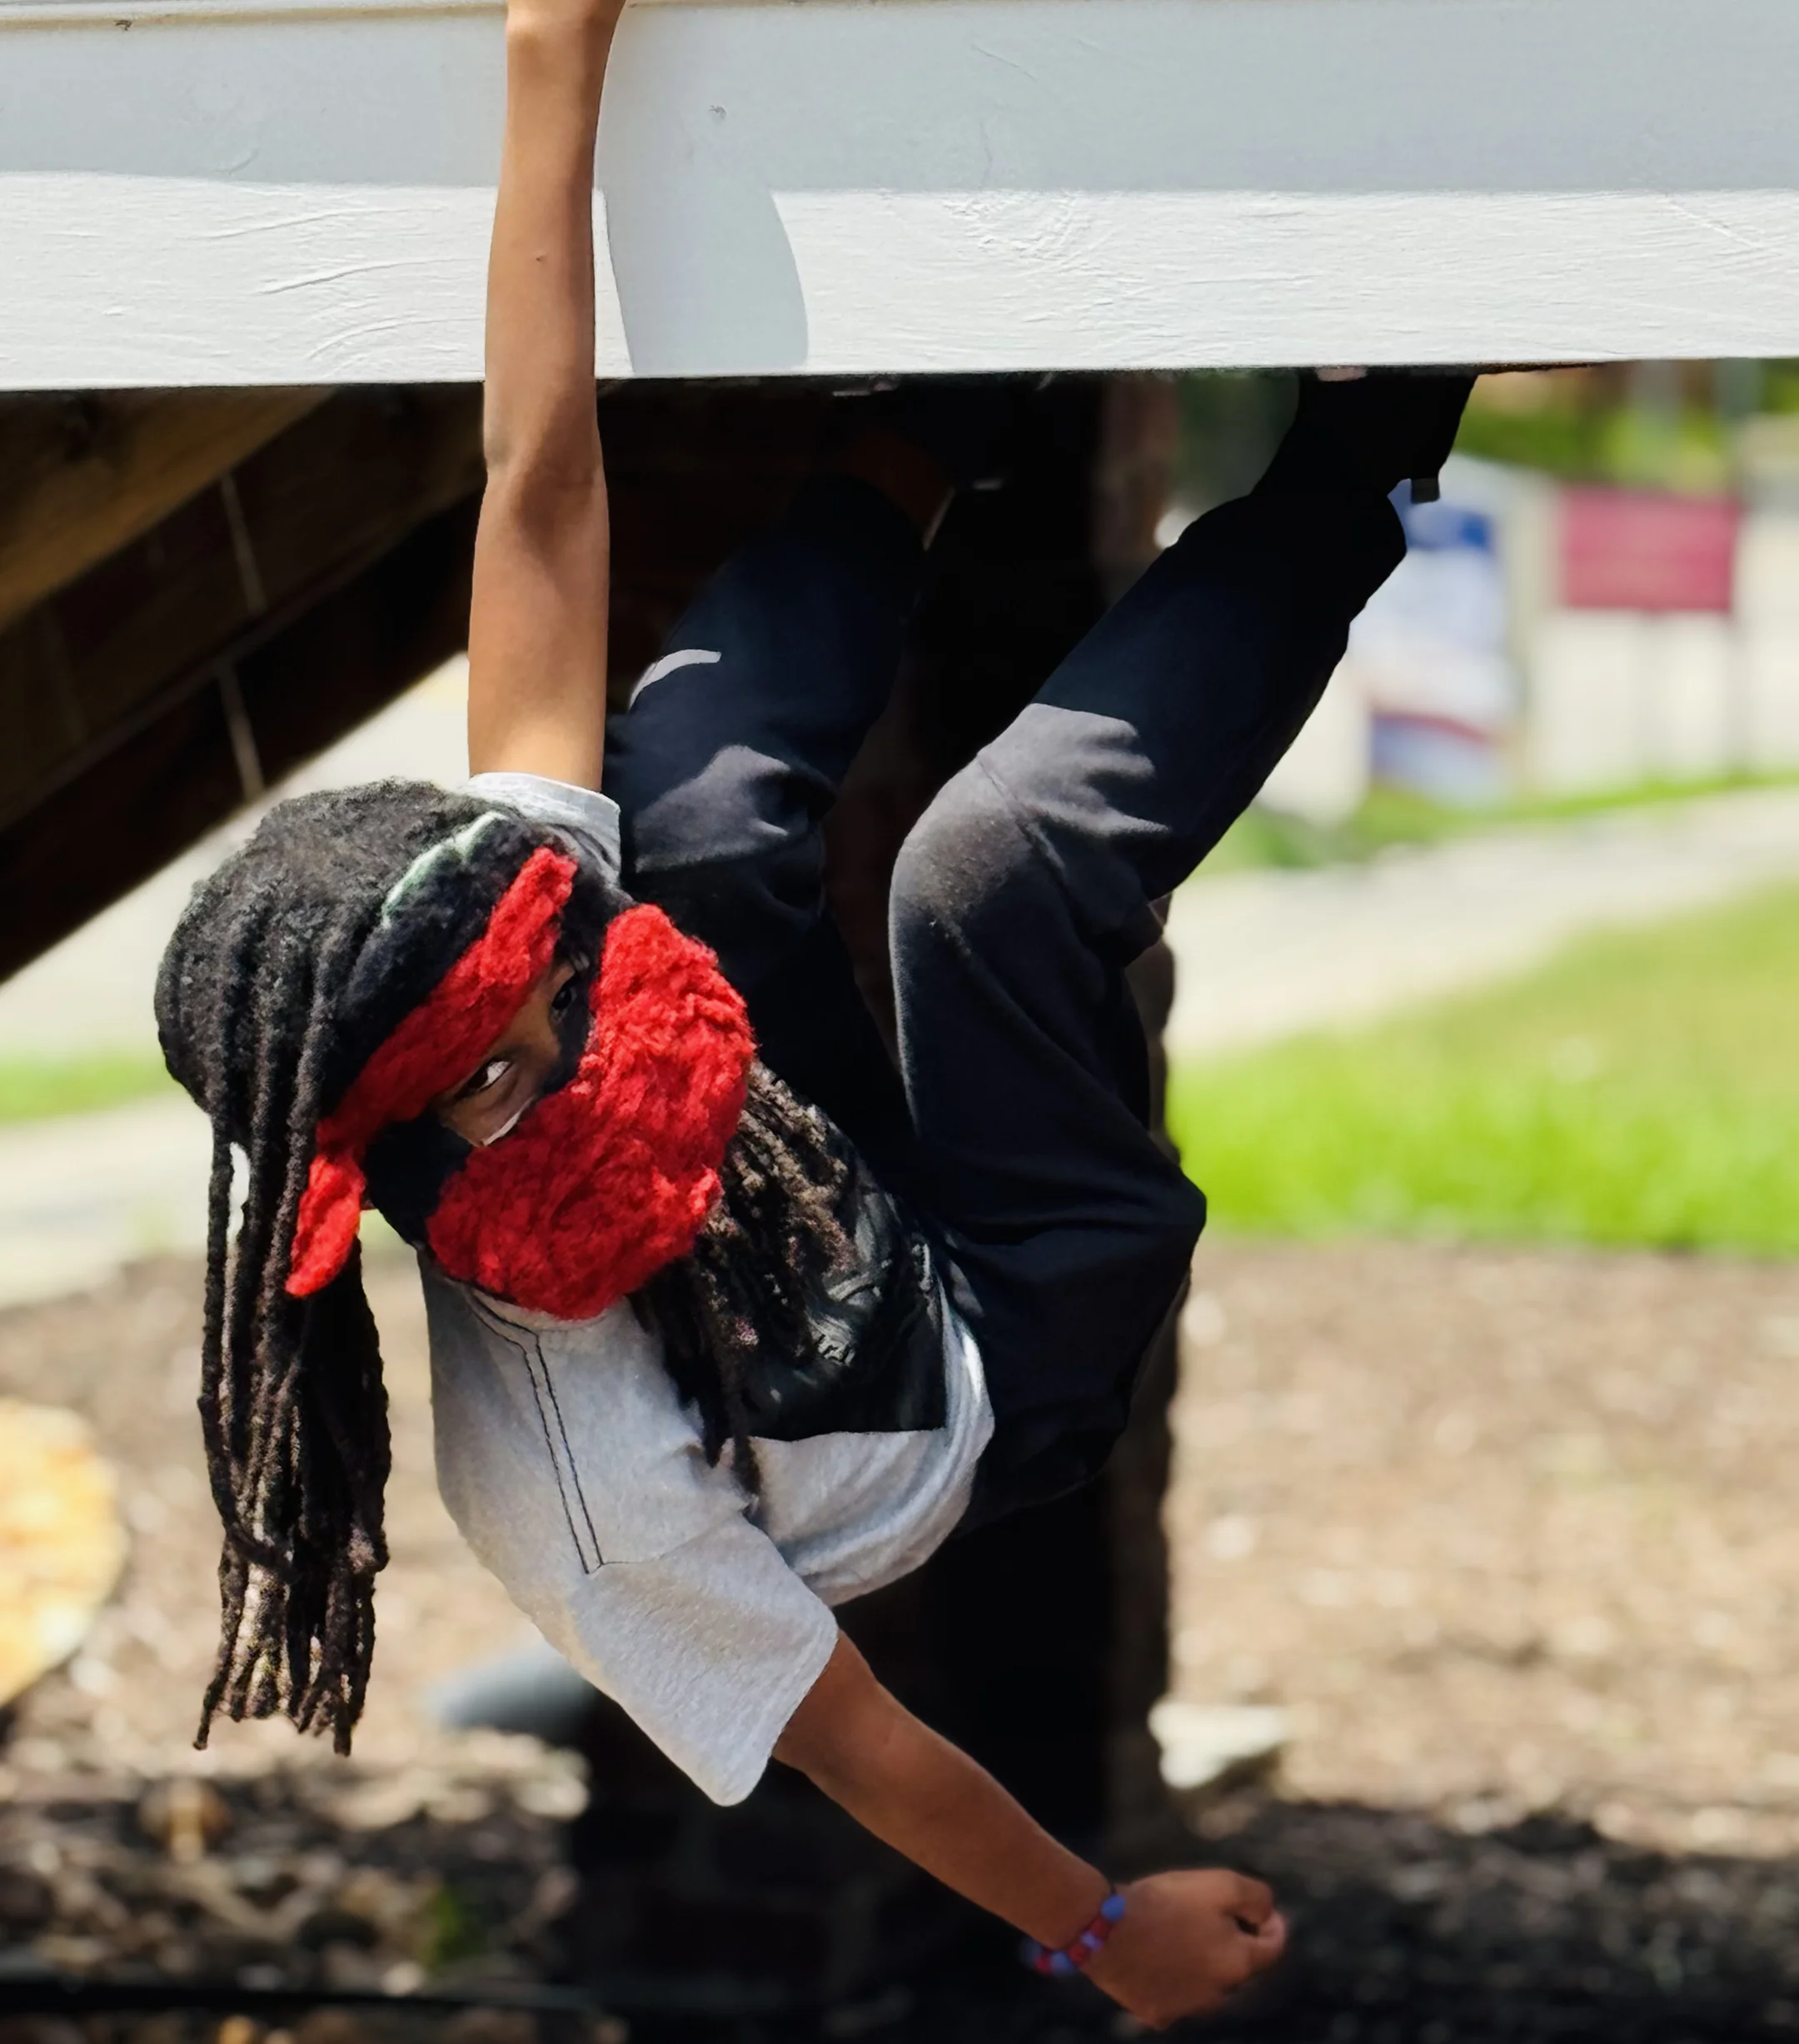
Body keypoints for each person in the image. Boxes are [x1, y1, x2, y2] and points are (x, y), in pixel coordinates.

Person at [152, 0, 1473, 2022]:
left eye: (550, 997)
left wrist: (551, 70)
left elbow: (537, 492)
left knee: (682, 802)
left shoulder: (521, 928)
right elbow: (858, 1741)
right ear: (379, 1180)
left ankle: (934, 413)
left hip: (812, 1161)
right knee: (985, 876)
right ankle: (1365, 451)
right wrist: (1100, 1931)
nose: (567, 1058)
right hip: (1000, 1349)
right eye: (500, 1091)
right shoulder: (570, 1482)